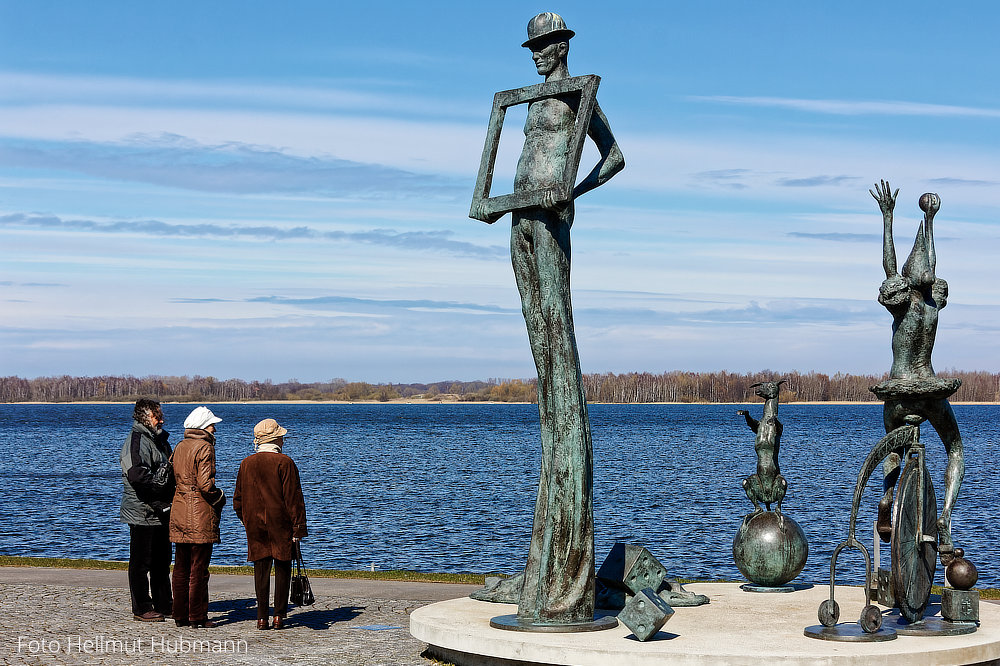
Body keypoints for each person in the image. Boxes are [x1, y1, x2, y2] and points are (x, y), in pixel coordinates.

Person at [471, 13, 624, 625]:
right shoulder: (530, 101)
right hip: (518, 214)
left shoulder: (579, 92)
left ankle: (566, 569)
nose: (538, 56)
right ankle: (543, 557)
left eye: (546, 47)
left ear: (562, 47)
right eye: (532, 48)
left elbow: (614, 156)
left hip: (553, 215)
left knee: (558, 340)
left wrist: (573, 192)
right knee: (540, 341)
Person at [870, 180, 964, 562]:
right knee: (954, 449)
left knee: (895, 446)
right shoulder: (933, 306)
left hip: (899, 389)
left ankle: (889, 495)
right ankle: (944, 516)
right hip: (929, 389)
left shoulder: (902, 304)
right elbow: (931, 265)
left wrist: (888, 218)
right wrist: (928, 222)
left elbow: (890, 266)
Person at [234, 418, 308, 631]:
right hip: (281, 524)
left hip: (255, 523)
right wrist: (298, 527)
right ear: (276, 439)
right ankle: (278, 616)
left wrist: (247, 519)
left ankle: (261, 617)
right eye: (281, 436)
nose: (284, 439)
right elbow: (293, 499)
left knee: (261, 569)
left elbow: (237, 500)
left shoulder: (246, 463)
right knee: (283, 568)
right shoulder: (285, 462)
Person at [169, 406, 225, 628]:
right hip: (199, 512)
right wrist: (219, 497)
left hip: (180, 508)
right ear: (203, 427)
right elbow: (205, 484)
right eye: (212, 425)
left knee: (181, 567)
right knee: (199, 568)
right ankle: (197, 616)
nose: (214, 429)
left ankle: (179, 614)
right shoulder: (205, 448)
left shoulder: (180, 446)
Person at [120, 398, 174, 622]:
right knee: (141, 562)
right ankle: (142, 607)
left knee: (162, 561)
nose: (161, 419)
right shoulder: (137, 440)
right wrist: (158, 489)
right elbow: (136, 474)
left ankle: (164, 603)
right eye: (156, 415)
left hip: (160, 510)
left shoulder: (158, 439)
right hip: (142, 510)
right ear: (144, 417)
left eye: (160, 414)